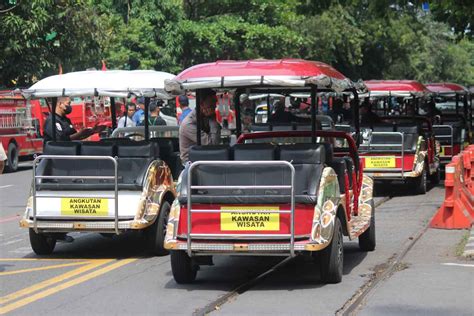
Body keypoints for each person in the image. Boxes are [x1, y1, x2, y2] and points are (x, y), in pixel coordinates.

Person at [179, 89, 221, 163]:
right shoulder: (189, 124)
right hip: (191, 164)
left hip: (204, 158)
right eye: (211, 104)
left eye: (215, 103)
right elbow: (213, 145)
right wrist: (212, 119)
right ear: (201, 105)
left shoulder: (205, 116)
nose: (214, 107)